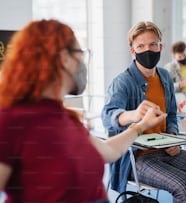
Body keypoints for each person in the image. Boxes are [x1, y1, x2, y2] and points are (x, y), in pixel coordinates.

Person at [0, 19, 166, 203]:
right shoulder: (11, 121)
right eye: (80, 52)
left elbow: (108, 151)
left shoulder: (64, 118)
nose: (83, 63)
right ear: (65, 59)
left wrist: (140, 126)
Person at [102, 21, 186, 203]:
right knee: (184, 184)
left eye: (153, 44)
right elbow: (108, 116)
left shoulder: (165, 77)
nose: (148, 50)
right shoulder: (122, 82)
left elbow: (172, 115)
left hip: (167, 151)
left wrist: (172, 135)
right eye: (141, 46)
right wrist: (133, 115)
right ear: (132, 51)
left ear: (160, 47)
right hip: (136, 158)